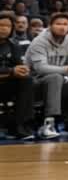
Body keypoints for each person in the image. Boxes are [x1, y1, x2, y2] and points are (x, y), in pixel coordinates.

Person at [0, 11, 35, 140]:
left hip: (7, 84)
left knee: (27, 80)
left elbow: (18, 66)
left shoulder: (14, 45)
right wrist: (11, 71)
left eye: (7, 26)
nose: (4, 28)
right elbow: (12, 70)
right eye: (1, 25)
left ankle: (20, 124)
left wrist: (22, 70)